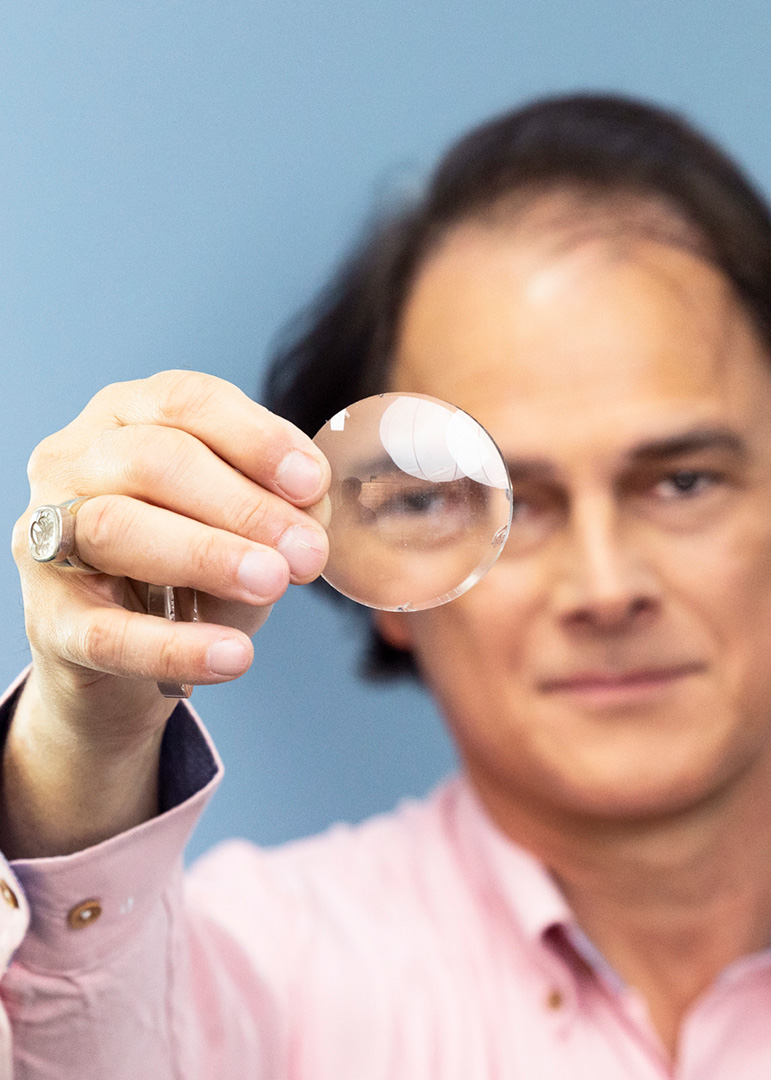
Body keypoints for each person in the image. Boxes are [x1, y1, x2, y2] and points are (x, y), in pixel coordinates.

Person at [2, 91, 771, 1078]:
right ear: (381, 560)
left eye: (683, 483)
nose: (606, 586)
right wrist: (88, 734)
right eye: (503, 503)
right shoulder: (258, 975)